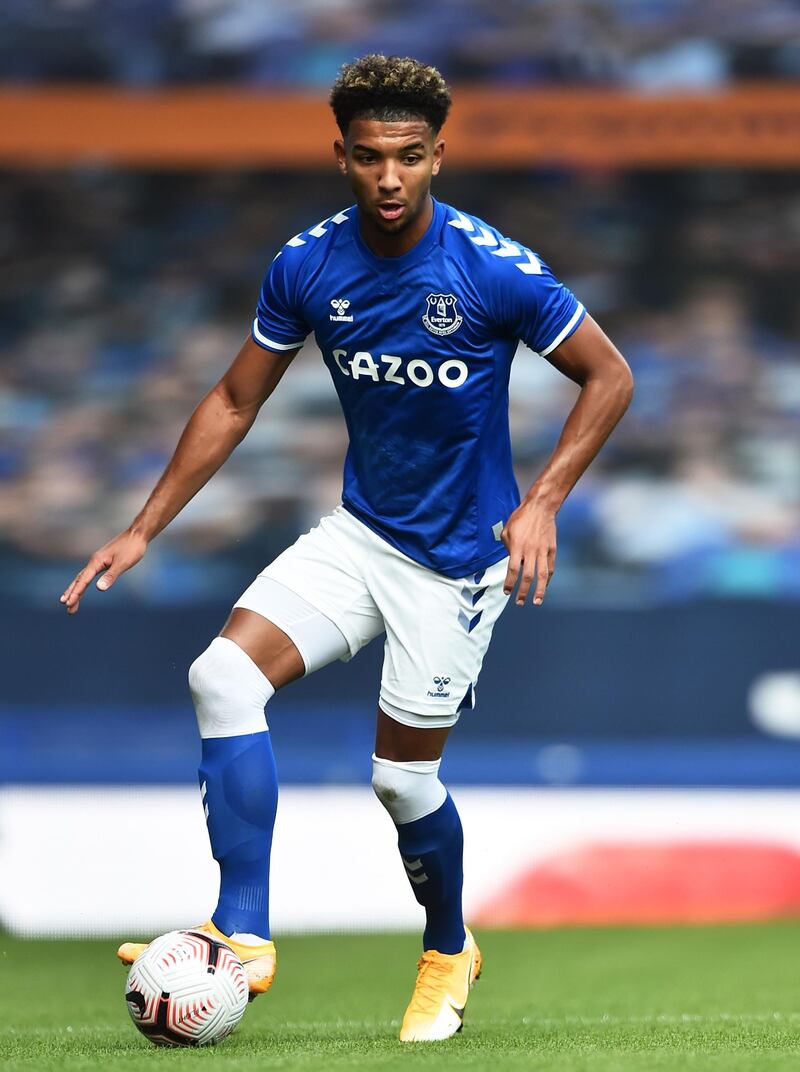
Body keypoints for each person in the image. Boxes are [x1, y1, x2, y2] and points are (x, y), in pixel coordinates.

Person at [60, 54, 633, 1042]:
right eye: (368, 157)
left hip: (456, 560)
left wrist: (541, 501)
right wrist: (144, 523)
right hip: (361, 532)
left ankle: (448, 945)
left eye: (408, 157)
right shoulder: (308, 264)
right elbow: (237, 397)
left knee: (399, 781)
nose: (388, 178)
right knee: (220, 678)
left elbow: (609, 375)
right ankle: (241, 930)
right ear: (341, 158)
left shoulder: (489, 266)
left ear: (437, 158)